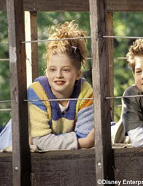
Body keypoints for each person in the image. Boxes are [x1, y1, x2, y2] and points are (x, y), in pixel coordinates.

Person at [0, 21, 95, 150]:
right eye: (52, 69)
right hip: (7, 142)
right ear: (46, 71)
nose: (58, 75)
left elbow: (85, 133)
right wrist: (81, 143)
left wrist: (50, 141)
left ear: (78, 74)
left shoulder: (86, 92)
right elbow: (41, 141)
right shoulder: (37, 91)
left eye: (66, 70)